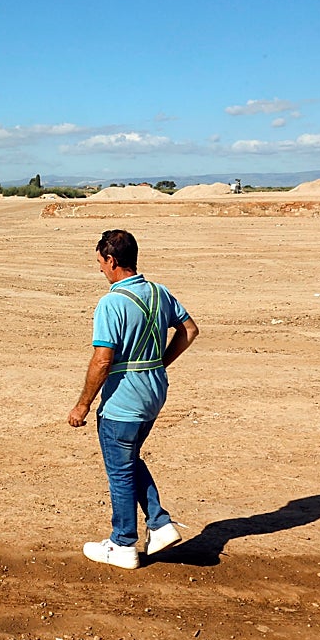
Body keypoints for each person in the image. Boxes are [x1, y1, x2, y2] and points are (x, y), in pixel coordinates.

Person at [67, 230, 199, 569]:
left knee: (120, 470)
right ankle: (159, 524)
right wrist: (158, 364)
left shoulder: (111, 302)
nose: (99, 270)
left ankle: (123, 543)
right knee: (128, 459)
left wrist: (82, 404)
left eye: (99, 263)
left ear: (111, 261)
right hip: (155, 392)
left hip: (123, 400)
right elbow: (189, 330)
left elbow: (102, 360)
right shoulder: (158, 292)